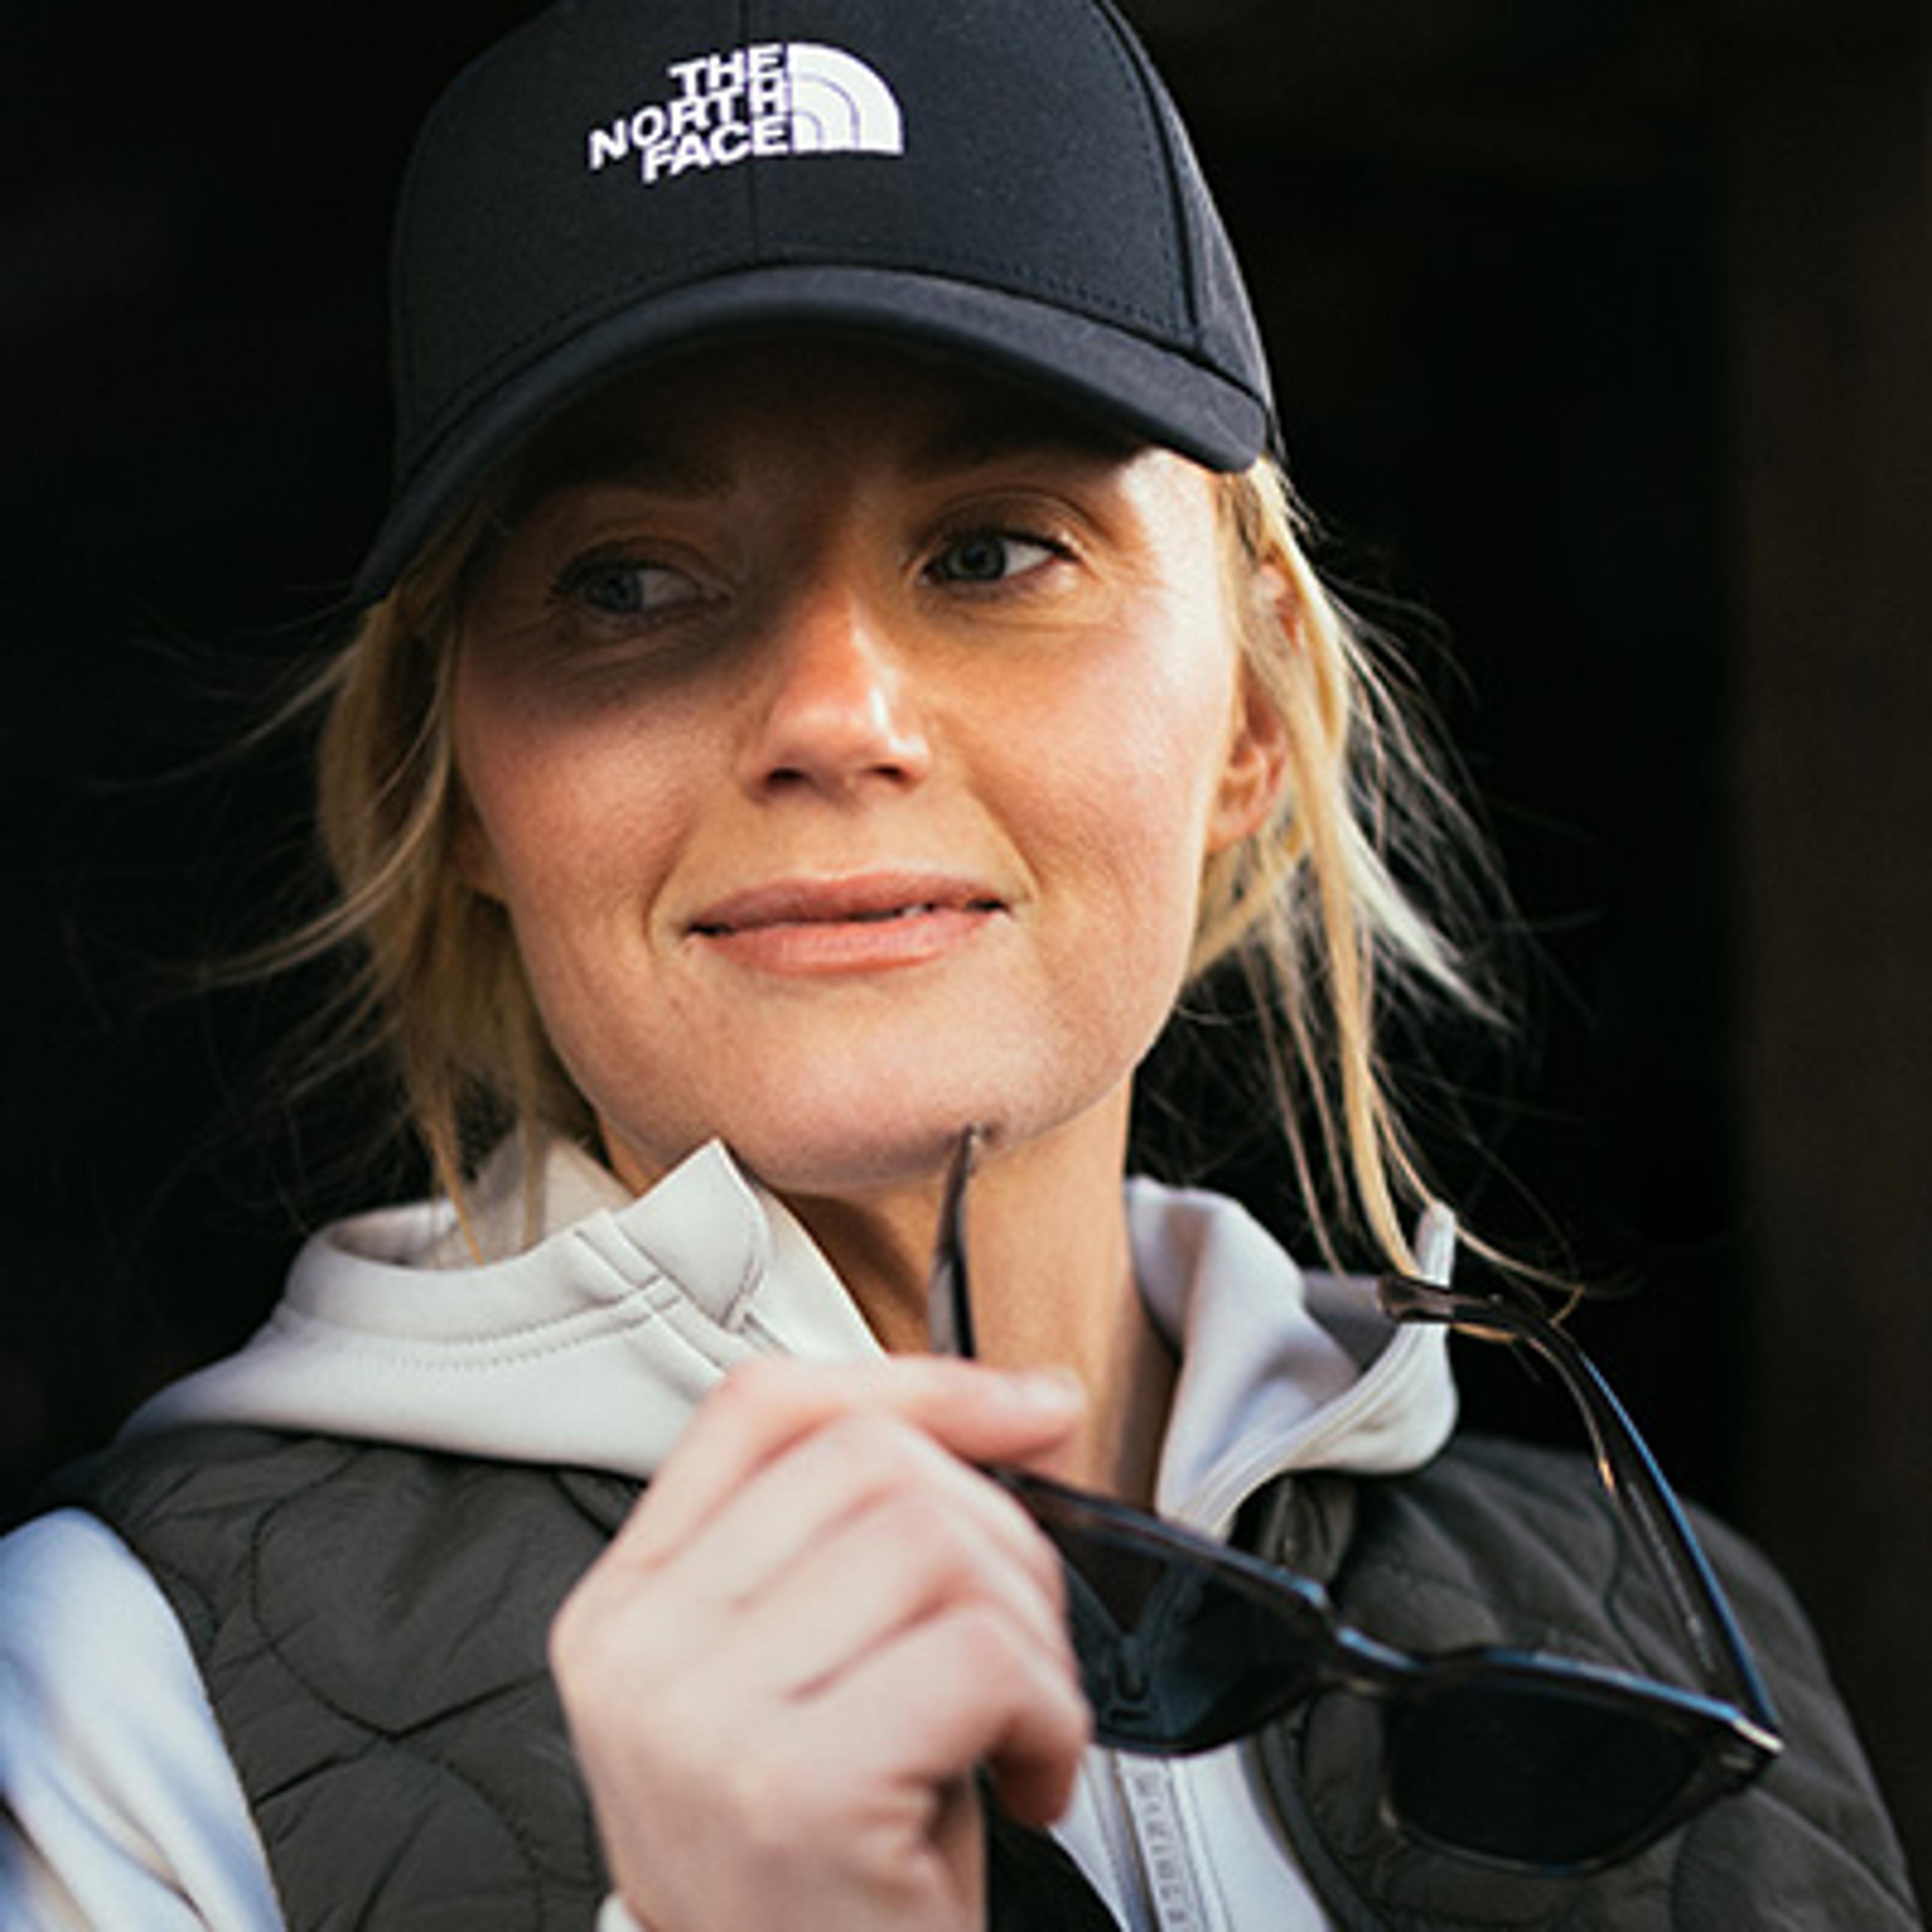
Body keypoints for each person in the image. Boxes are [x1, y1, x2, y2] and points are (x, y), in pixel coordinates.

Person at [0, 1, 1918, 1927]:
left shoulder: (1682, 1645)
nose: (834, 712)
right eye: (628, 581)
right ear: (475, 789)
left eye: (996, 551)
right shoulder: (113, 1694)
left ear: (1252, 711)